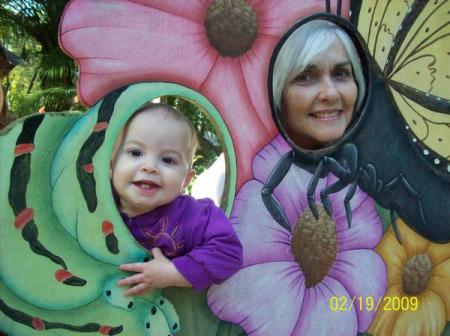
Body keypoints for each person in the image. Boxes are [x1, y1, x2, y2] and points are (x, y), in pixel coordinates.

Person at [111, 102, 243, 296]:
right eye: (135, 153)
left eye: (168, 160)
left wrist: (172, 274)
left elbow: (229, 253)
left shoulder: (194, 217)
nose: (150, 167)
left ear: (186, 179)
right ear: (111, 164)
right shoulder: (93, 202)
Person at [272, 19, 366, 150]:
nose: (331, 93)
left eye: (340, 74)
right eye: (305, 77)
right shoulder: (264, 163)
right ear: (279, 90)